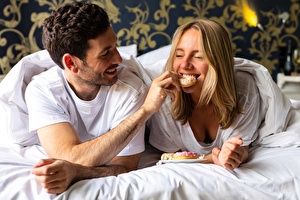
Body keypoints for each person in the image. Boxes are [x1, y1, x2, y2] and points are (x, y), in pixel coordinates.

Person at [26, 2, 180, 194]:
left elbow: (125, 168)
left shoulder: (132, 90)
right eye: (105, 54)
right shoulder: (42, 90)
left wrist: (145, 111)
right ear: (71, 63)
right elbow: (68, 157)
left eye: (115, 46)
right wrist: (75, 168)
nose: (118, 59)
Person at [148, 19, 265, 171]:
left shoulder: (244, 88)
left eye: (198, 57)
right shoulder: (165, 96)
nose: (184, 65)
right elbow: (170, 156)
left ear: (218, 61)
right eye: (179, 55)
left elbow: (242, 149)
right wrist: (211, 159)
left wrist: (234, 153)